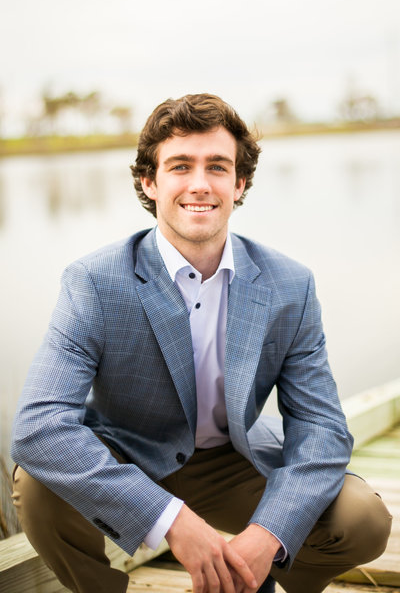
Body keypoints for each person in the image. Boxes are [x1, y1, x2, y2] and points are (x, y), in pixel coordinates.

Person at [11, 94, 391, 593]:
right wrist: (169, 519)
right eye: (180, 166)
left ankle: (258, 584)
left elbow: (321, 426)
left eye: (217, 167)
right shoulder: (94, 283)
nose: (199, 184)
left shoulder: (289, 285)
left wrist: (267, 534)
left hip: (233, 462)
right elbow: (38, 427)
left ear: (240, 183)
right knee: (37, 485)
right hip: (128, 458)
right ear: (150, 181)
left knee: (363, 518)